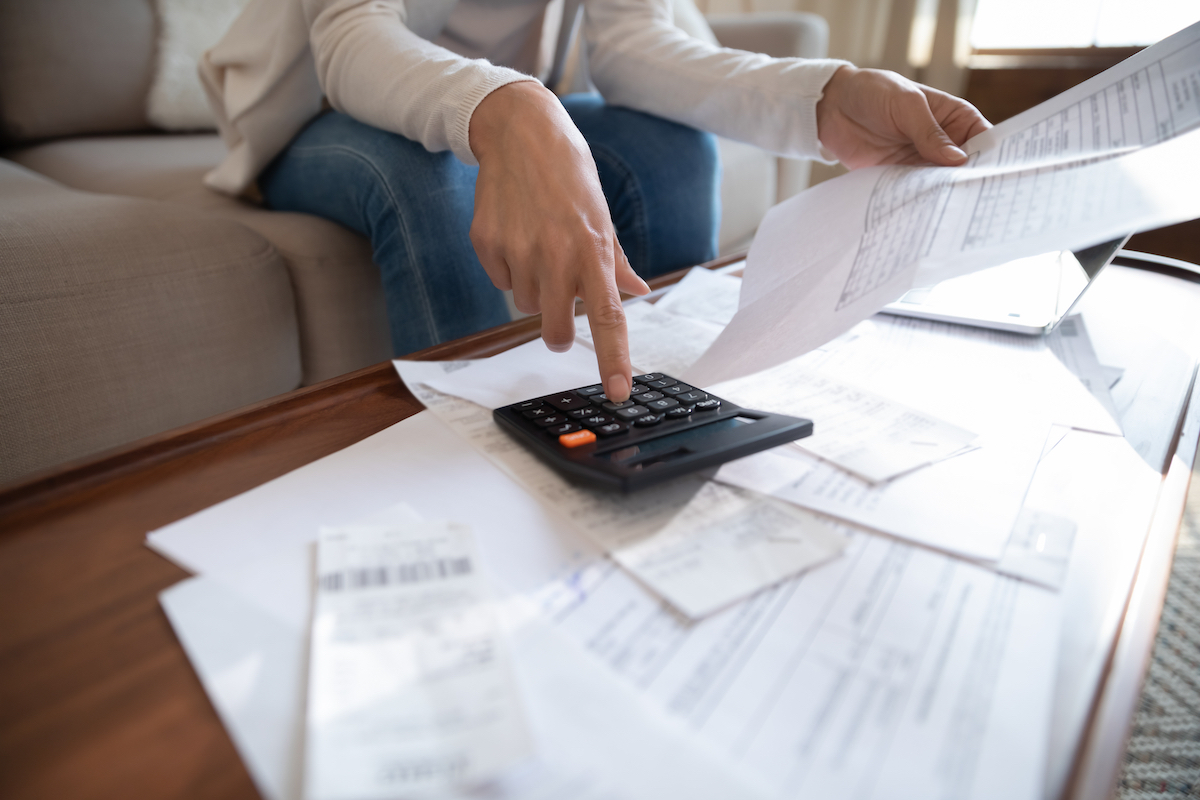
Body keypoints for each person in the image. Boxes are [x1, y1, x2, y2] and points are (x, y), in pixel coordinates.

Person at [201, 0, 990, 403]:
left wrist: (827, 97)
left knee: (669, 151)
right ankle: (478, 452)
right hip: (317, 111)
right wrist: (506, 108)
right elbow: (349, 40)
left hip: (497, 95)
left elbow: (637, 48)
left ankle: (672, 409)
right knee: (431, 172)